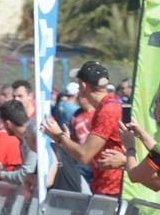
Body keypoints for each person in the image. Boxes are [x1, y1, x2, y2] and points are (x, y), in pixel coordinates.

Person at [40, 61, 126, 199]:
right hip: (105, 185)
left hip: (111, 188)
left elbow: (84, 156)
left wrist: (59, 136)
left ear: (83, 86)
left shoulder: (108, 110)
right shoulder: (107, 105)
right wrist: (65, 140)